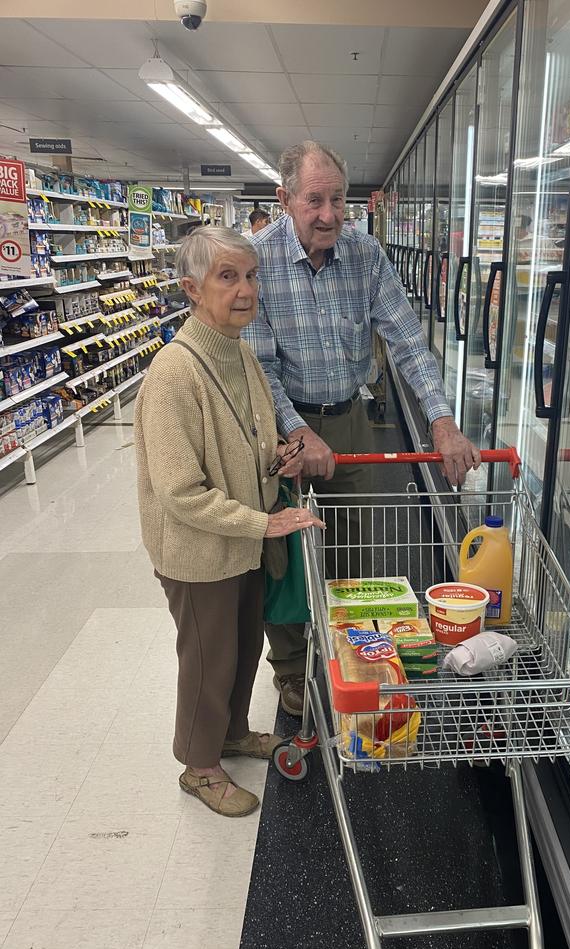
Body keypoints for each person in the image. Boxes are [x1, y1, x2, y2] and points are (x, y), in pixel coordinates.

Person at [243, 140, 481, 717]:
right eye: (314, 200)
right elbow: (260, 363)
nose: (329, 214)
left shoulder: (366, 253)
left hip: (350, 419)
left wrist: (442, 421)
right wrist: (298, 431)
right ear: (284, 199)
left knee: (351, 542)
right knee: (286, 555)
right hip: (281, 433)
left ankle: (349, 645)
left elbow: (406, 339)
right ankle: (294, 668)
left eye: (338, 199)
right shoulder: (258, 258)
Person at [134, 226, 324, 817]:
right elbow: (178, 491)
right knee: (207, 657)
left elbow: (251, 436)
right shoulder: (174, 374)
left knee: (243, 648)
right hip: (200, 552)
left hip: (240, 541)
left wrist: (277, 457)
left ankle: (235, 732)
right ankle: (199, 766)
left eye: (251, 276)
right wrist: (262, 524)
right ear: (192, 289)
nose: (245, 291)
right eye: (227, 277)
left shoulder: (240, 352)